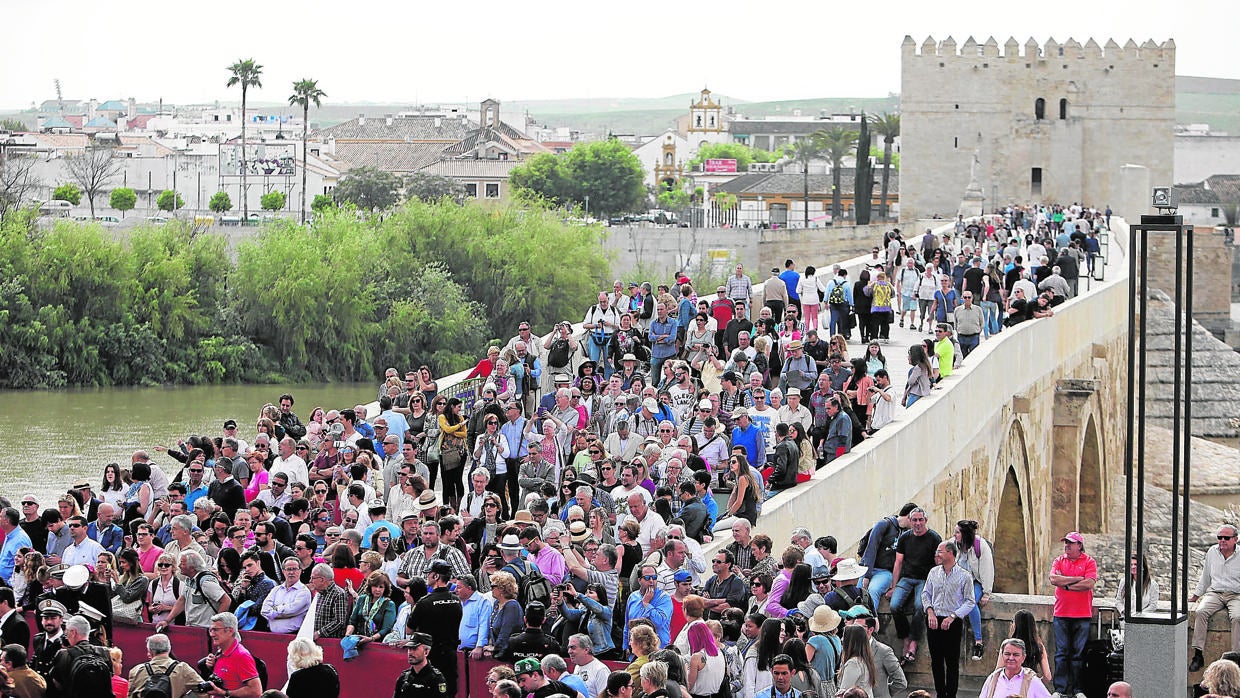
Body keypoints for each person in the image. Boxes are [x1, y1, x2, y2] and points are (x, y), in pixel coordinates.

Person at [921, 541, 975, 698]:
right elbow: (926, 594)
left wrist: (953, 616)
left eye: (940, 551)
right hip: (934, 620)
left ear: (950, 554)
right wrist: (930, 612)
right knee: (936, 661)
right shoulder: (933, 572)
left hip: (953, 621)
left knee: (952, 662)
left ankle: (951, 694)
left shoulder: (964, 576)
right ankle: (940, 693)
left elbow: (970, 601)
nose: (937, 554)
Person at [1048, 531, 1097, 698]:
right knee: (1061, 653)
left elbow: (1089, 584)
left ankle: (1078, 689)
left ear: (1079, 545)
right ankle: (1059, 689)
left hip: (1082, 614)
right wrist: (1077, 578)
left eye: (1070, 543)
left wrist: (1066, 583)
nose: (1067, 546)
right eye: (1065, 543)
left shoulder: (1089, 561)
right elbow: (1054, 579)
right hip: (1061, 614)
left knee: (1078, 654)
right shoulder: (1059, 560)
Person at [1192, 523, 1240, 671]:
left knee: (1237, 617)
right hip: (1215, 593)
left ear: (1235, 539)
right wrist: (1195, 596)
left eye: (1226, 537)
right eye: (1220, 537)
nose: (1222, 540)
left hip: (1236, 594)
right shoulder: (1212, 552)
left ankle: (1235, 657)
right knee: (1200, 612)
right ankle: (1198, 654)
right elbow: (1205, 576)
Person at [125, 632, 202, 698]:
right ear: (169, 648)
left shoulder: (136, 671)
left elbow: (130, 696)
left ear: (150, 651)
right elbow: (204, 691)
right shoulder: (183, 669)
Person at [978, 639, 1052, 698]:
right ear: (1002, 656)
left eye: (1016, 655)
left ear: (1023, 658)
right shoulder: (993, 679)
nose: (1011, 658)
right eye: (1007, 654)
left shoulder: (1031, 680)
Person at [391, 633, 448, 698]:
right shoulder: (403, 678)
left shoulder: (436, 680)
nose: (410, 652)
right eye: (409, 648)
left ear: (426, 652)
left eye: (414, 649)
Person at [836, 624, 876, 697]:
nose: (841, 639)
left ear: (851, 641)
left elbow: (844, 692)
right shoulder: (865, 660)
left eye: (844, 637)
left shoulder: (853, 663)